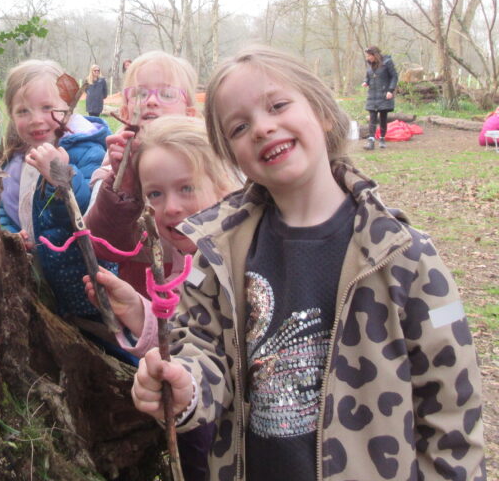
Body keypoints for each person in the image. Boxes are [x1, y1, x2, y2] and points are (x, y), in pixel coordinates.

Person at [131, 46, 485, 481]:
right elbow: (202, 349)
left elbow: (451, 406)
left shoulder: (404, 255)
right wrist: (185, 385)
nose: (262, 128)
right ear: (232, 155)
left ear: (322, 113)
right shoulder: (218, 253)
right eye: (239, 127)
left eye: (278, 105)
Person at [84, 115, 237, 481]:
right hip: (197, 418)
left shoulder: (245, 253)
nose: (170, 207)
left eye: (187, 188)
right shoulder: (184, 258)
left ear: (223, 185)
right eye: (155, 194)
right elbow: (192, 337)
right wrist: (138, 312)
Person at [0, 59, 118, 327]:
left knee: (99, 343)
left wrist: (60, 177)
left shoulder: (88, 151)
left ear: (69, 107)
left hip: (83, 292)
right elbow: (4, 207)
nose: (36, 119)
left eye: (48, 108)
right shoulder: (15, 159)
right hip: (38, 287)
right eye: (23, 111)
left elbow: (85, 214)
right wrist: (10, 235)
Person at [84, 51, 198, 297]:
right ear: (125, 113)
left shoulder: (209, 166)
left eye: (167, 94)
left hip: (203, 296)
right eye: (139, 94)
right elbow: (101, 246)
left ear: (190, 115)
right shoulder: (113, 169)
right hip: (140, 294)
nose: (151, 101)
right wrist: (124, 188)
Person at [362, 45, 398, 150]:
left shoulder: (387, 62)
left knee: (383, 118)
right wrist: (366, 82)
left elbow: (394, 76)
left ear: (375, 55)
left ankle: (382, 138)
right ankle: (371, 141)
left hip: (384, 94)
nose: (368, 58)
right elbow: (368, 76)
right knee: (372, 118)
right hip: (372, 95)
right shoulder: (370, 65)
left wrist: (390, 90)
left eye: (369, 56)